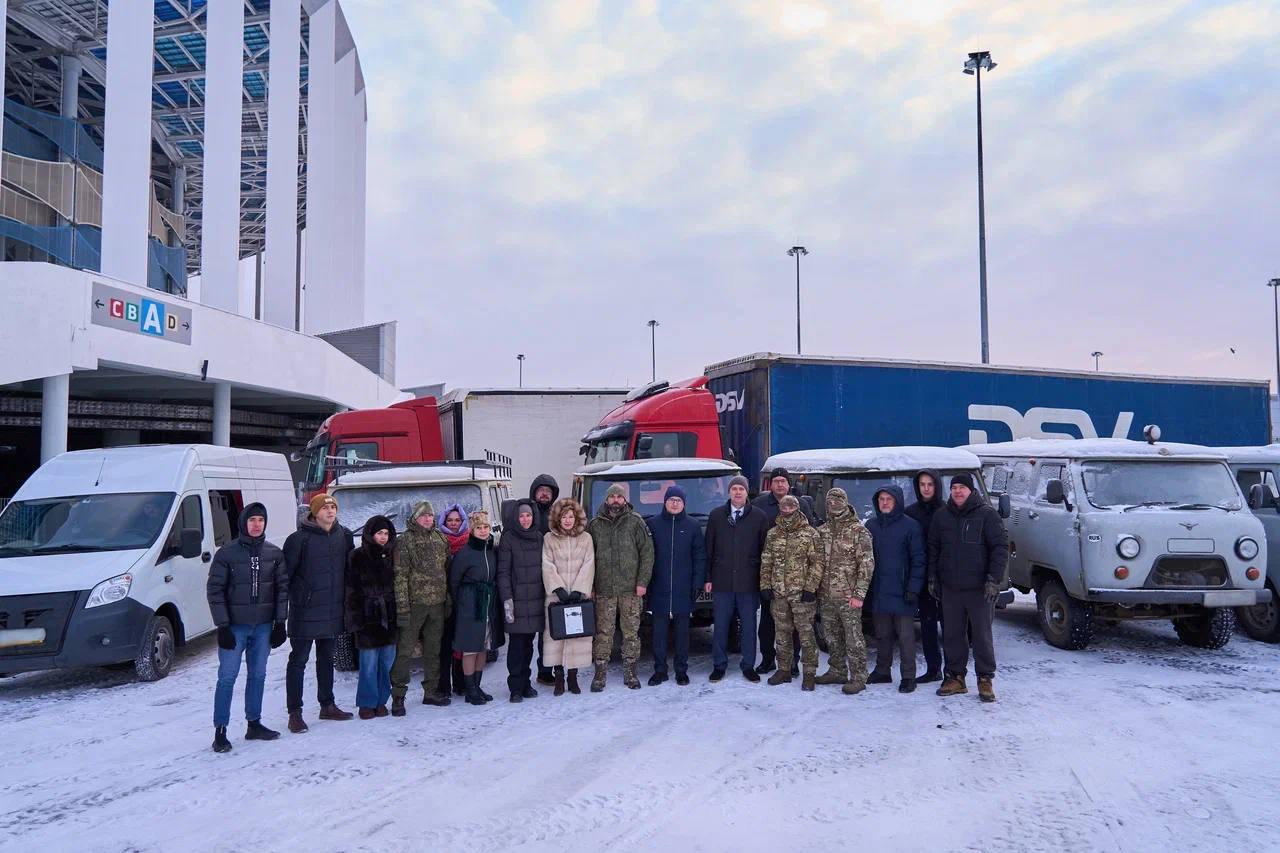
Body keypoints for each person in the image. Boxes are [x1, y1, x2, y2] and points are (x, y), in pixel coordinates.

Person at [207, 502, 289, 753]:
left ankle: (254, 724)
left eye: (261, 520)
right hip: (235, 628)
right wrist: (223, 625)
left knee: (258, 675)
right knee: (227, 677)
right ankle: (221, 730)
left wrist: (280, 622)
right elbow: (215, 590)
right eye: (252, 520)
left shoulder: (274, 554)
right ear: (244, 522)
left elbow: (281, 590)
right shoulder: (226, 554)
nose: (256, 525)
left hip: (263, 627)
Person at [927, 473, 1009, 703]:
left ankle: (985, 679)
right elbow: (933, 548)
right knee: (952, 635)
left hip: (979, 589)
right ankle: (955, 677)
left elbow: (1000, 548)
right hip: (950, 588)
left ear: (971, 490)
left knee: (981, 635)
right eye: (954, 488)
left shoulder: (987, 515)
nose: (957, 491)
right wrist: (933, 577)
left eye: (962, 487)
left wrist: (993, 579)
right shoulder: (942, 516)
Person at [283, 494, 355, 733]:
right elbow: (285, 578)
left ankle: (327, 705)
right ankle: (295, 713)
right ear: (314, 512)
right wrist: (291, 604)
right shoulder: (298, 540)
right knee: (298, 661)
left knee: (326, 659)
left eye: (333, 507)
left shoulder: (343, 536)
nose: (330, 511)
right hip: (305, 611)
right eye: (325, 507)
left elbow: (349, 571)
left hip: (333, 609)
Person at [586, 483, 653, 691]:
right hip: (604, 589)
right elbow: (588, 558)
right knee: (603, 633)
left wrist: (642, 582)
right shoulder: (595, 525)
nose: (616, 500)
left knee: (631, 632)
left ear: (625, 499)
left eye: (619, 496)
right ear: (606, 499)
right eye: (612, 496)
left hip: (630, 589)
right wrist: (591, 585)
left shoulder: (635, 522)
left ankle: (631, 673)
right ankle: (600, 673)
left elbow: (647, 554)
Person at [751, 468, 816, 675]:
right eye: (776, 481)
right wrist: (763, 580)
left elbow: (810, 535)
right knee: (768, 623)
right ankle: (768, 659)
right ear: (770, 484)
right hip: (772, 575)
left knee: (795, 624)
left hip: (797, 577)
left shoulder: (802, 503)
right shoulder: (759, 505)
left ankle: (793, 662)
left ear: (789, 484)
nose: (780, 484)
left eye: (783, 481)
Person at [705, 475, 770, 682]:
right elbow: (708, 549)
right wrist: (708, 577)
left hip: (748, 582)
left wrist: (763, 580)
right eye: (734, 489)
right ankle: (719, 666)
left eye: (741, 489)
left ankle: (748, 666)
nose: (738, 492)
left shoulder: (759, 517)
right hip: (722, 581)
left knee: (749, 627)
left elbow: (765, 552)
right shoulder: (716, 516)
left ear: (747, 492)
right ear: (729, 492)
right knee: (721, 626)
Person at [390, 501, 452, 714]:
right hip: (414, 606)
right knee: (404, 652)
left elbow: (446, 571)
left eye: (430, 515)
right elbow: (400, 577)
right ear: (415, 518)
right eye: (423, 515)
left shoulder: (440, 538)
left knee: (433, 650)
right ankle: (398, 696)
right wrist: (402, 608)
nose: (427, 519)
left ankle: (431, 692)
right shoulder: (405, 541)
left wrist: (447, 599)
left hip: (437, 605)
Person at [813, 487, 875, 695]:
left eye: (838, 500)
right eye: (830, 501)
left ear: (846, 502)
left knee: (853, 638)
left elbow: (867, 564)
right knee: (831, 636)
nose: (833, 504)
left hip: (849, 596)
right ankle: (837, 671)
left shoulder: (858, 531)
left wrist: (859, 594)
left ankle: (859, 676)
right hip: (826, 595)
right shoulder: (822, 531)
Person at [758, 494, 823, 690]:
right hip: (779, 593)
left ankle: (809, 673)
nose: (787, 511)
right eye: (783, 507)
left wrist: (810, 588)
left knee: (806, 635)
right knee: (782, 633)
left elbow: (817, 563)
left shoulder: (810, 534)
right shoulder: (773, 534)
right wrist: (765, 585)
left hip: (802, 594)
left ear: (798, 508)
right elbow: (766, 561)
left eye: (791, 507)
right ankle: (784, 669)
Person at [865, 486, 926, 693]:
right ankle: (883, 670)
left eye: (888, 499)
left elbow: (919, 560)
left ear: (897, 501)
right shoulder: (871, 526)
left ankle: (908, 676)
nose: (884, 503)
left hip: (903, 592)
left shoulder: (911, 526)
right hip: (879, 590)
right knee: (882, 635)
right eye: (881, 499)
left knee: (906, 637)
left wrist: (913, 588)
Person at [644, 486, 707, 686]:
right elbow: (645, 556)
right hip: (659, 588)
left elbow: (699, 556)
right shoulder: (653, 524)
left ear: (684, 504)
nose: (674, 503)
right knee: (659, 634)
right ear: (664, 502)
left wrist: (697, 583)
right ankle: (660, 670)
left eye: (678, 500)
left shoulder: (692, 525)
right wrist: (645, 584)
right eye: (671, 500)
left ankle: (681, 671)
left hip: (683, 589)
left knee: (682, 634)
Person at [345, 516, 399, 719]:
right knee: (368, 665)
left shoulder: (394, 554)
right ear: (370, 534)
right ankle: (367, 703)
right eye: (379, 533)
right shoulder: (357, 556)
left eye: (386, 533)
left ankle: (381, 701)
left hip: (390, 617)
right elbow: (351, 590)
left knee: (386, 663)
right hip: (367, 618)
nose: (383, 537)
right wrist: (354, 619)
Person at [449, 510, 504, 706]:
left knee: (483, 648)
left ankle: (478, 685)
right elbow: (454, 582)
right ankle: (469, 689)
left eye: (485, 527)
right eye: (479, 528)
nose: (483, 531)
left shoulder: (491, 551)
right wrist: (463, 603)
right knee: (470, 649)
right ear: (472, 531)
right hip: (470, 606)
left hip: (488, 604)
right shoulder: (464, 554)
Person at [541, 497, 595, 696]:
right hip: (557, 598)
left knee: (576, 637)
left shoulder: (586, 539)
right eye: (564, 517)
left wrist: (579, 590)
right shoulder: (549, 538)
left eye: (571, 517)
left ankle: (573, 678)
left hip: (578, 598)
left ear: (576, 518)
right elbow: (547, 564)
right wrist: (558, 589)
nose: (567, 520)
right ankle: (558, 679)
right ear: (558, 518)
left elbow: (589, 564)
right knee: (556, 638)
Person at [497, 500, 545, 702]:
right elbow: (503, 572)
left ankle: (526, 684)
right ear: (516, 518)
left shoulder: (539, 537)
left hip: (535, 601)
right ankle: (515, 688)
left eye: (528, 515)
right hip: (516, 602)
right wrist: (507, 600)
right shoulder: (508, 539)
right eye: (521, 516)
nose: (525, 519)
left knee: (529, 646)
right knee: (516, 646)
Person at [904, 470, 945, 683]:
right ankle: (933, 669)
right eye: (922, 485)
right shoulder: (910, 513)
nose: (926, 488)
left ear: (937, 486)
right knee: (928, 626)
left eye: (930, 484)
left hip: (946, 579)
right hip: (923, 578)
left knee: (951, 628)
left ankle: (954, 672)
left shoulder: (947, 510)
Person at [436, 502, 470, 697]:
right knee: (445, 643)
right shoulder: (437, 542)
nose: (454, 523)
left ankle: (460, 682)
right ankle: (443, 685)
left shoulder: (470, 541)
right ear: (443, 522)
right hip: (443, 600)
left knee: (461, 643)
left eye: (457, 520)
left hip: (464, 600)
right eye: (450, 520)